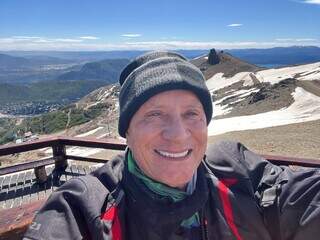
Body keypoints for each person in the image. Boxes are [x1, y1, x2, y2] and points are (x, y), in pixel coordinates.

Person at [24, 51, 320, 240]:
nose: (178, 135)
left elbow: (301, 199)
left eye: (192, 113)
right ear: (127, 129)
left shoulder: (237, 169)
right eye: (154, 114)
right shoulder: (82, 206)